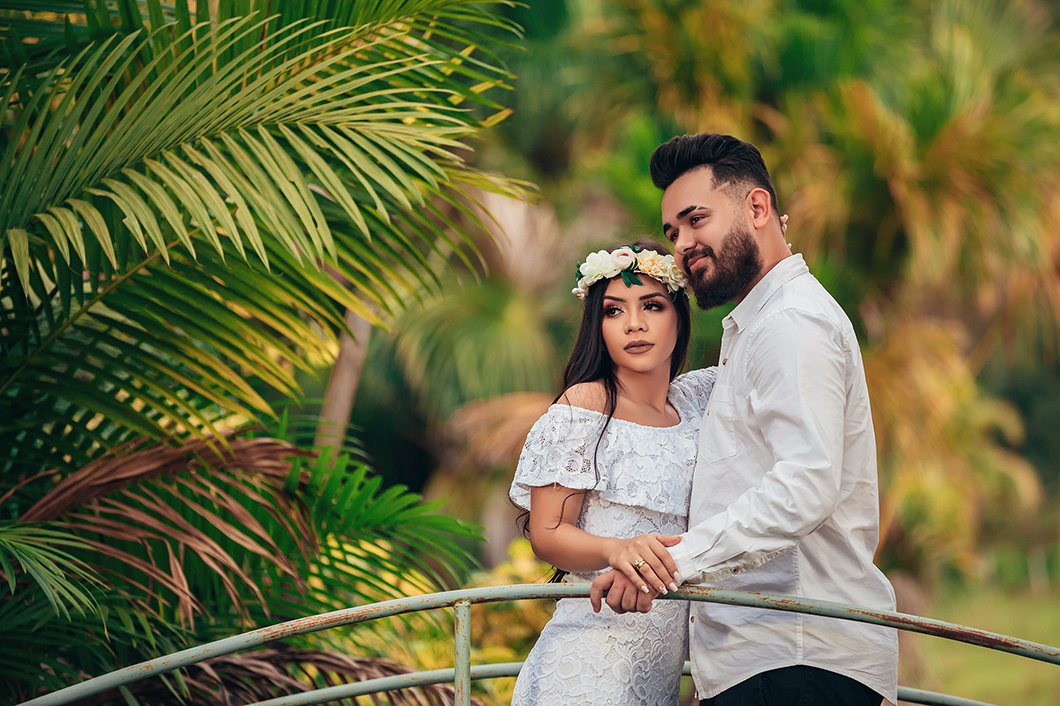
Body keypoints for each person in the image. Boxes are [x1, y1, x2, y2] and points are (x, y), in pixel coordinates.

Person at [590, 133, 899, 706]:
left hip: (796, 657)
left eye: (695, 219)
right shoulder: (753, 331)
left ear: (757, 209)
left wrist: (668, 565)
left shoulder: (790, 322)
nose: (683, 244)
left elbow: (806, 483)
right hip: (765, 660)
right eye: (673, 232)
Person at [508, 239, 709, 705]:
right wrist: (619, 549)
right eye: (613, 311)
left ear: (679, 312)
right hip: (582, 667)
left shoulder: (698, 403)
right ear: (597, 326)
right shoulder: (583, 406)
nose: (634, 324)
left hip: (659, 677)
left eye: (652, 306)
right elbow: (547, 532)